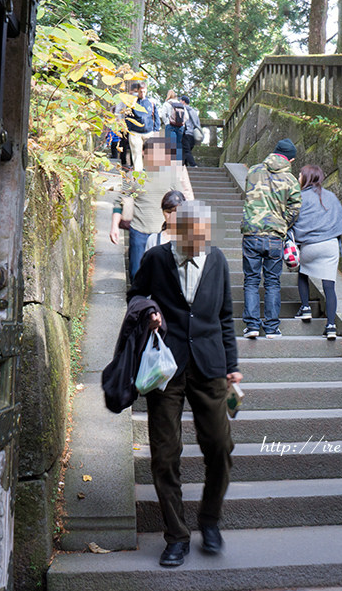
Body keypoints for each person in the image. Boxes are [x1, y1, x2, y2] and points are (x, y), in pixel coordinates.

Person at [127, 200, 243, 567]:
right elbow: (135, 296)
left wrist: (232, 366)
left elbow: (225, 316)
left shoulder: (218, 260)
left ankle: (210, 522)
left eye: (203, 238)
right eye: (191, 238)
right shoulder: (158, 259)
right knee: (164, 455)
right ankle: (176, 536)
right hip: (166, 367)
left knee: (221, 447)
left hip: (210, 366)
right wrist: (150, 312)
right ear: (177, 232)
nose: (198, 245)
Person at [109, 137, 194, 281]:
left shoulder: (171, 177)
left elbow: (182, 203)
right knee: (137, 273)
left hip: (164, 234)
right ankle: (137, 301)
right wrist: (114, 227)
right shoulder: (133, 177)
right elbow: (119, 202)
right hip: (139, 232)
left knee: (163, 275)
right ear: (143, 153)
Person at [241, 137, 301, 339]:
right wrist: (283, 223)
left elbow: (249, 196)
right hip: (275, 236)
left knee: (251, 279)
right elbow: (295, 208)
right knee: (273, 281)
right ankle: (272, 328)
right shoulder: (291, 180)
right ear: (290, 160)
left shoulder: (253, 171)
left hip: (251, 233)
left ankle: (252, 326)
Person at [292, 165, 342, 340]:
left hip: (311, 245)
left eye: (300, 175)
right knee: (329, 286)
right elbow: (341, 220)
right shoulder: (330, 196)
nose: (298, 177)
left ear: (306, 178)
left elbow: (293, 221)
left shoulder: (300, 197)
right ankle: (331, 326)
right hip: (330, 245)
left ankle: (306, 308)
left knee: (302, 272)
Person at [124, 81, 160, 172]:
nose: (142, 94)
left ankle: (150, 172)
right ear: (138, 91)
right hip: (135, 132)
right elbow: (127, 117)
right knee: (137, 155)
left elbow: (156, 116)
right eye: (140, 92)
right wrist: (128, 130)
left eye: (144, 92)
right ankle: (139, 174)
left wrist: (156, 130)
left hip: (149, 132)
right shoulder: (132, 102)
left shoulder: (151, 102)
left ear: (146, 91)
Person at [160, 89, 187, 161]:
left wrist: (167, 122)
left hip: (170, 125)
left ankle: (170, 162)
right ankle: (178, 162)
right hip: (180, 126)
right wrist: (182, 123)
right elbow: (187, 117)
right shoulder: (181, 104)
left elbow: (163, 115)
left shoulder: (166, 104)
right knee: (178, 144)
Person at [181, 94, 202, 168]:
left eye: (180, 100)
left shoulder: (183, 109)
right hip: (193, 134)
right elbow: (197, 122)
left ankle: (193, 165)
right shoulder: (193, 111)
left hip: (186, 132)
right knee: (187, 149)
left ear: (183, 101)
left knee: (186, 150)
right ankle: (184, 165)